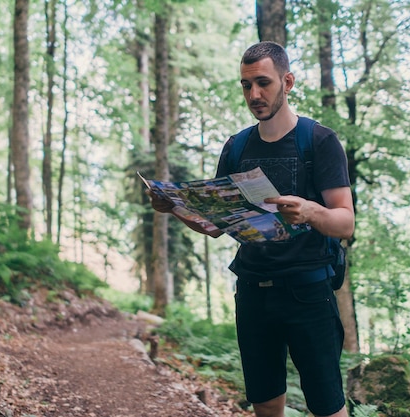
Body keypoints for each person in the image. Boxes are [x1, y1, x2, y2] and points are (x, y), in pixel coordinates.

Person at [148, 41, 354, 417]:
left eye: (264, 83)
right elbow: (214, 226)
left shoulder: (319, 141)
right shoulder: (236, 146)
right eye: (246, 85)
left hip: (308, 292)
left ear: (287, 82)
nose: (254, 94)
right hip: (253, 291)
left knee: (327, 404)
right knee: (264, 400)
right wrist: (174, 207)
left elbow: (345, 221)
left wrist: (309, 211)